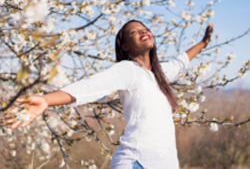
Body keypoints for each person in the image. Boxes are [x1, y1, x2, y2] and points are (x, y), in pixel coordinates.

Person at [6, 20, 214, 169]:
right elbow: (90, 87)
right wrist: (45, 100)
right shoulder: (128, 70)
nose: (143, 31)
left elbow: (181, 61)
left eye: (145, 28)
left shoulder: (161, 74)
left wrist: (203, 43)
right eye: (134, 32)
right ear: (125, 46)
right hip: (136, 162)